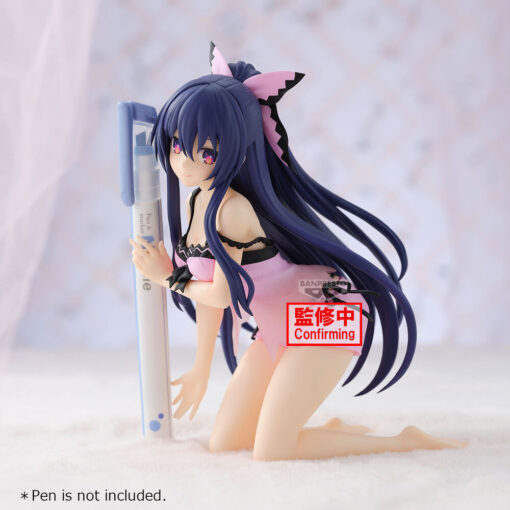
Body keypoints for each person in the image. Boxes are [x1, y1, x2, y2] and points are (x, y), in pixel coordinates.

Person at [130, 43, 467, 461]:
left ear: (237, 148)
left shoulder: (233, 211)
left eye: (208, 152)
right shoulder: (199, 201)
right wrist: (201, 367)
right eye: (178, 145)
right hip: (278, 323)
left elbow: (218, 293)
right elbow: (209, 287)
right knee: (226, 444)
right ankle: (328, 430)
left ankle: (403, 441)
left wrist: (167, 277)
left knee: (271, 452)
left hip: (326, 313)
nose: (184, 163)